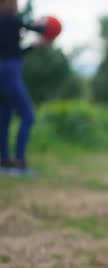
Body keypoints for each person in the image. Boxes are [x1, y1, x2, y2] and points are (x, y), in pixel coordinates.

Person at [0, 0, 47, 176]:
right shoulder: (10, 21)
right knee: (28, 114)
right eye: (12, 2)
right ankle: (19, 162)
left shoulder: (6, 24)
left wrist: (35, 45)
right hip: (9, 73)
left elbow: (16, 51)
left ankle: (4, 161)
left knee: (4, 117)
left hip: (3, 71)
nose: (16, 5)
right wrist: (43, 24)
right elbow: (39, 29)